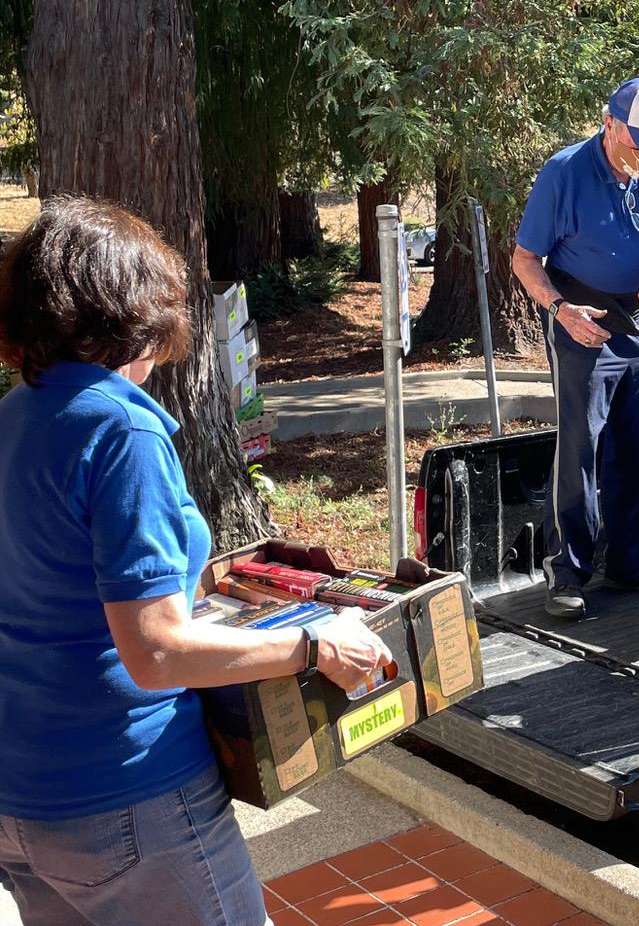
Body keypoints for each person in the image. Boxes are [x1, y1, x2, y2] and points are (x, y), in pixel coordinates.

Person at [0, 197, 393, 926]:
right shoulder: (121, 431)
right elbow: (154, 653)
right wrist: (315, 641)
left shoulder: (16, 417)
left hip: (23, 795)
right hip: (129, 795)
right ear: (135, 315)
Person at [512, 78, 639, 620]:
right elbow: (525, 260)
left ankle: (630, 562)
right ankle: (567, 573)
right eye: (636, 142)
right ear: (610, 124)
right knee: (582, 446)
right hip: (580, 313)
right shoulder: (564, 172)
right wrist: (560, 311)